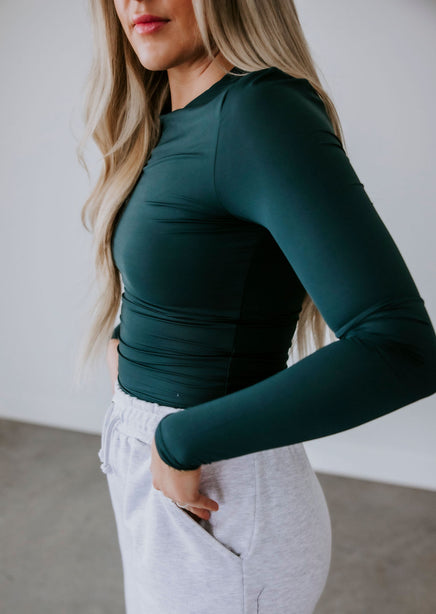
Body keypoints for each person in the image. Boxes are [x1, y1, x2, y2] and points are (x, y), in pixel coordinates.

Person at [76, 1, 436, 613]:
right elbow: (195, 270)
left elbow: (399, 347)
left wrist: (178, 439)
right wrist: (129, 352)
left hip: (220, 502)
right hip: (159, 481)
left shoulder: (259, 113)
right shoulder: (169, 117)